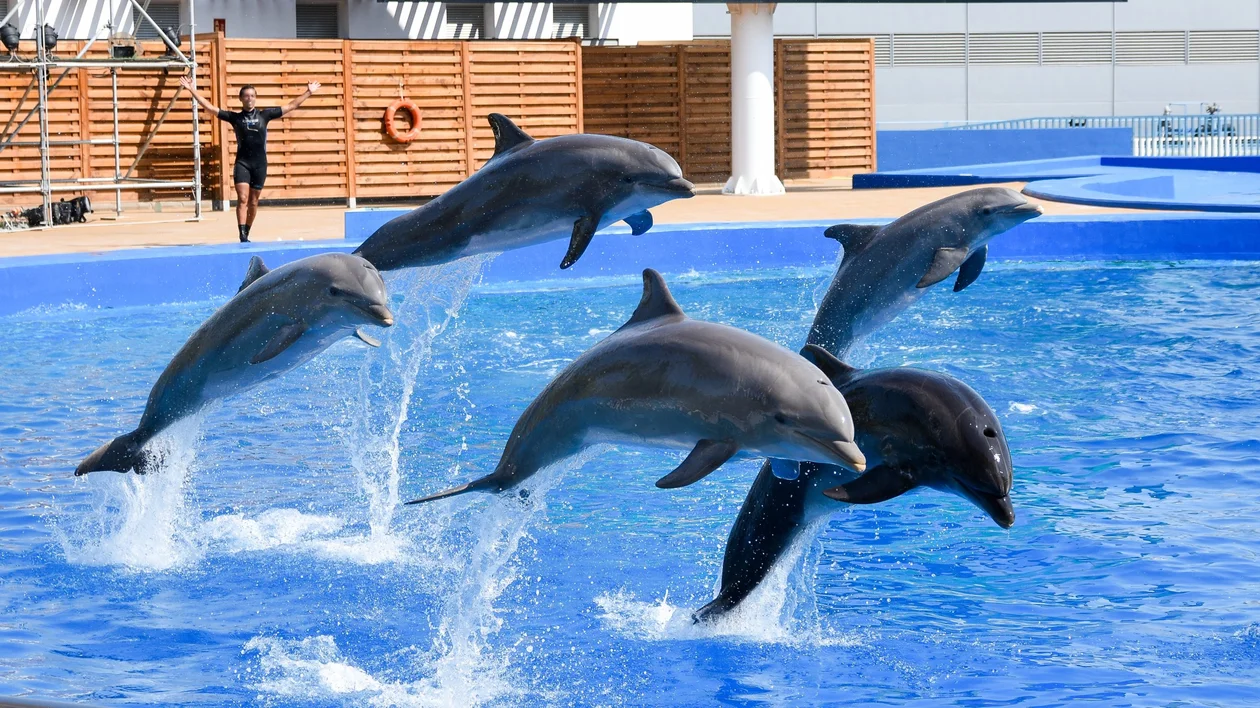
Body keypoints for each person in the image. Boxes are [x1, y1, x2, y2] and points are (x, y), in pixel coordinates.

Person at [179, 76, 320, 242]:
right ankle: (242, 234)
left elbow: (291, 106)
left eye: (252, 95)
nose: (249, 98)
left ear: (255, 98)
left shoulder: (265, 115)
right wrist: (191, 90)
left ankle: (247, 229)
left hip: (260, 164)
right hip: (243, 163)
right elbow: (209, 108)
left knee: (253, 201)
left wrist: (308, 92)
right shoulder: (235, 118)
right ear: (241, 99)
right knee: (243, 198)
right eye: (246, 95)